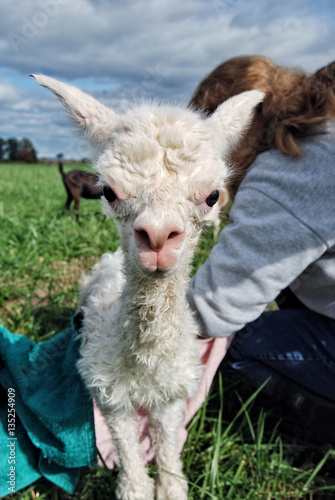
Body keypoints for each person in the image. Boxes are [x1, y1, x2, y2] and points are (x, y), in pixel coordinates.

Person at [186, 56, 335, 443]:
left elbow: (212, 310)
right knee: (289, 286)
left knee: (242, 340)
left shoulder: (295, 166)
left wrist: (117, 323)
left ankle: (314, 434)